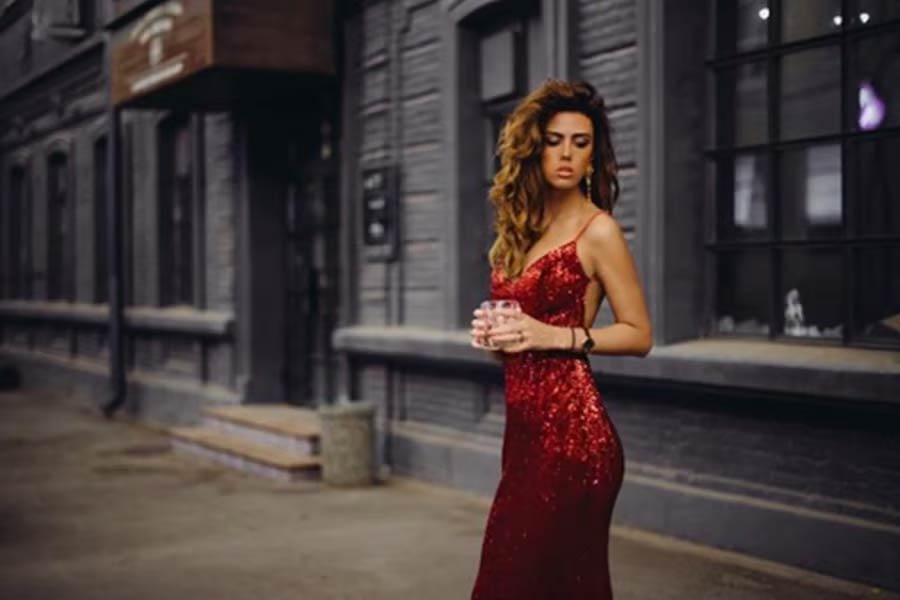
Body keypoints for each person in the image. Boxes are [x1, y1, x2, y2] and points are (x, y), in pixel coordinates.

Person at [468, 79, 652, 599]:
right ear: (534, 149)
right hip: (524, 437)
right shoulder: (522, 226)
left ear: (594, 154)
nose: (567, 154)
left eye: (581, 141)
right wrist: (492, 335)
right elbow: (521, 332)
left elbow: (640, 335)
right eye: (554, 141)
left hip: (575, 441)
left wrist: (551, 333)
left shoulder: (599, 232)